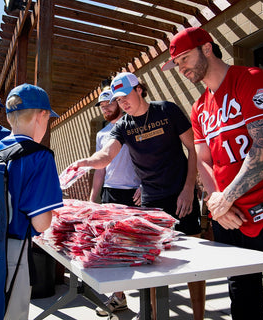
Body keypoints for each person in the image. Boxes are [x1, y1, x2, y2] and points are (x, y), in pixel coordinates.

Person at [162, 27, 263, 319]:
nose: (181, 68)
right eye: (177, 64)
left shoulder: (253, 81)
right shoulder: (198, 109)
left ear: (206, 48)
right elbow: (203, 160)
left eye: (184, 59)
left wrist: (225, 199)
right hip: (229, 217)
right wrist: (217, 204)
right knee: (242, 299)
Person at [72, 72, 205, 320]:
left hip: (180, 196)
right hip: (151, 202)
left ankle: (198, 317)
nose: (122, 103)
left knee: (195, 262)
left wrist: (189, 189)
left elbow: (194, 148)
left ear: (140, 90)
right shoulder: (123, 126)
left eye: (125, 97)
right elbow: (107, 155)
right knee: (150, 264)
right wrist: (87, 162)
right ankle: (154, 316)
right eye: (118, 99)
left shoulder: (167, 110)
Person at [0, 83, 63, 320]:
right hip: (13, 251)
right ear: (42, 115)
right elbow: (41, 224)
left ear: (10, 117)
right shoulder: (40, 155)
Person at [91, 89, 141, 317]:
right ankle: (119, 297)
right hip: (111, 194)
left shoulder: (135, 125)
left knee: (139, 246)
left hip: (136, 193)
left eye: (109, 104)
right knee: (114, 249)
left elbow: (146, 158)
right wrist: (93, 199)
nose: (105, 109)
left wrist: (144, 185)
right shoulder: (102, 134)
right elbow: (100, 169)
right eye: (102, 106)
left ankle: (151, 301)